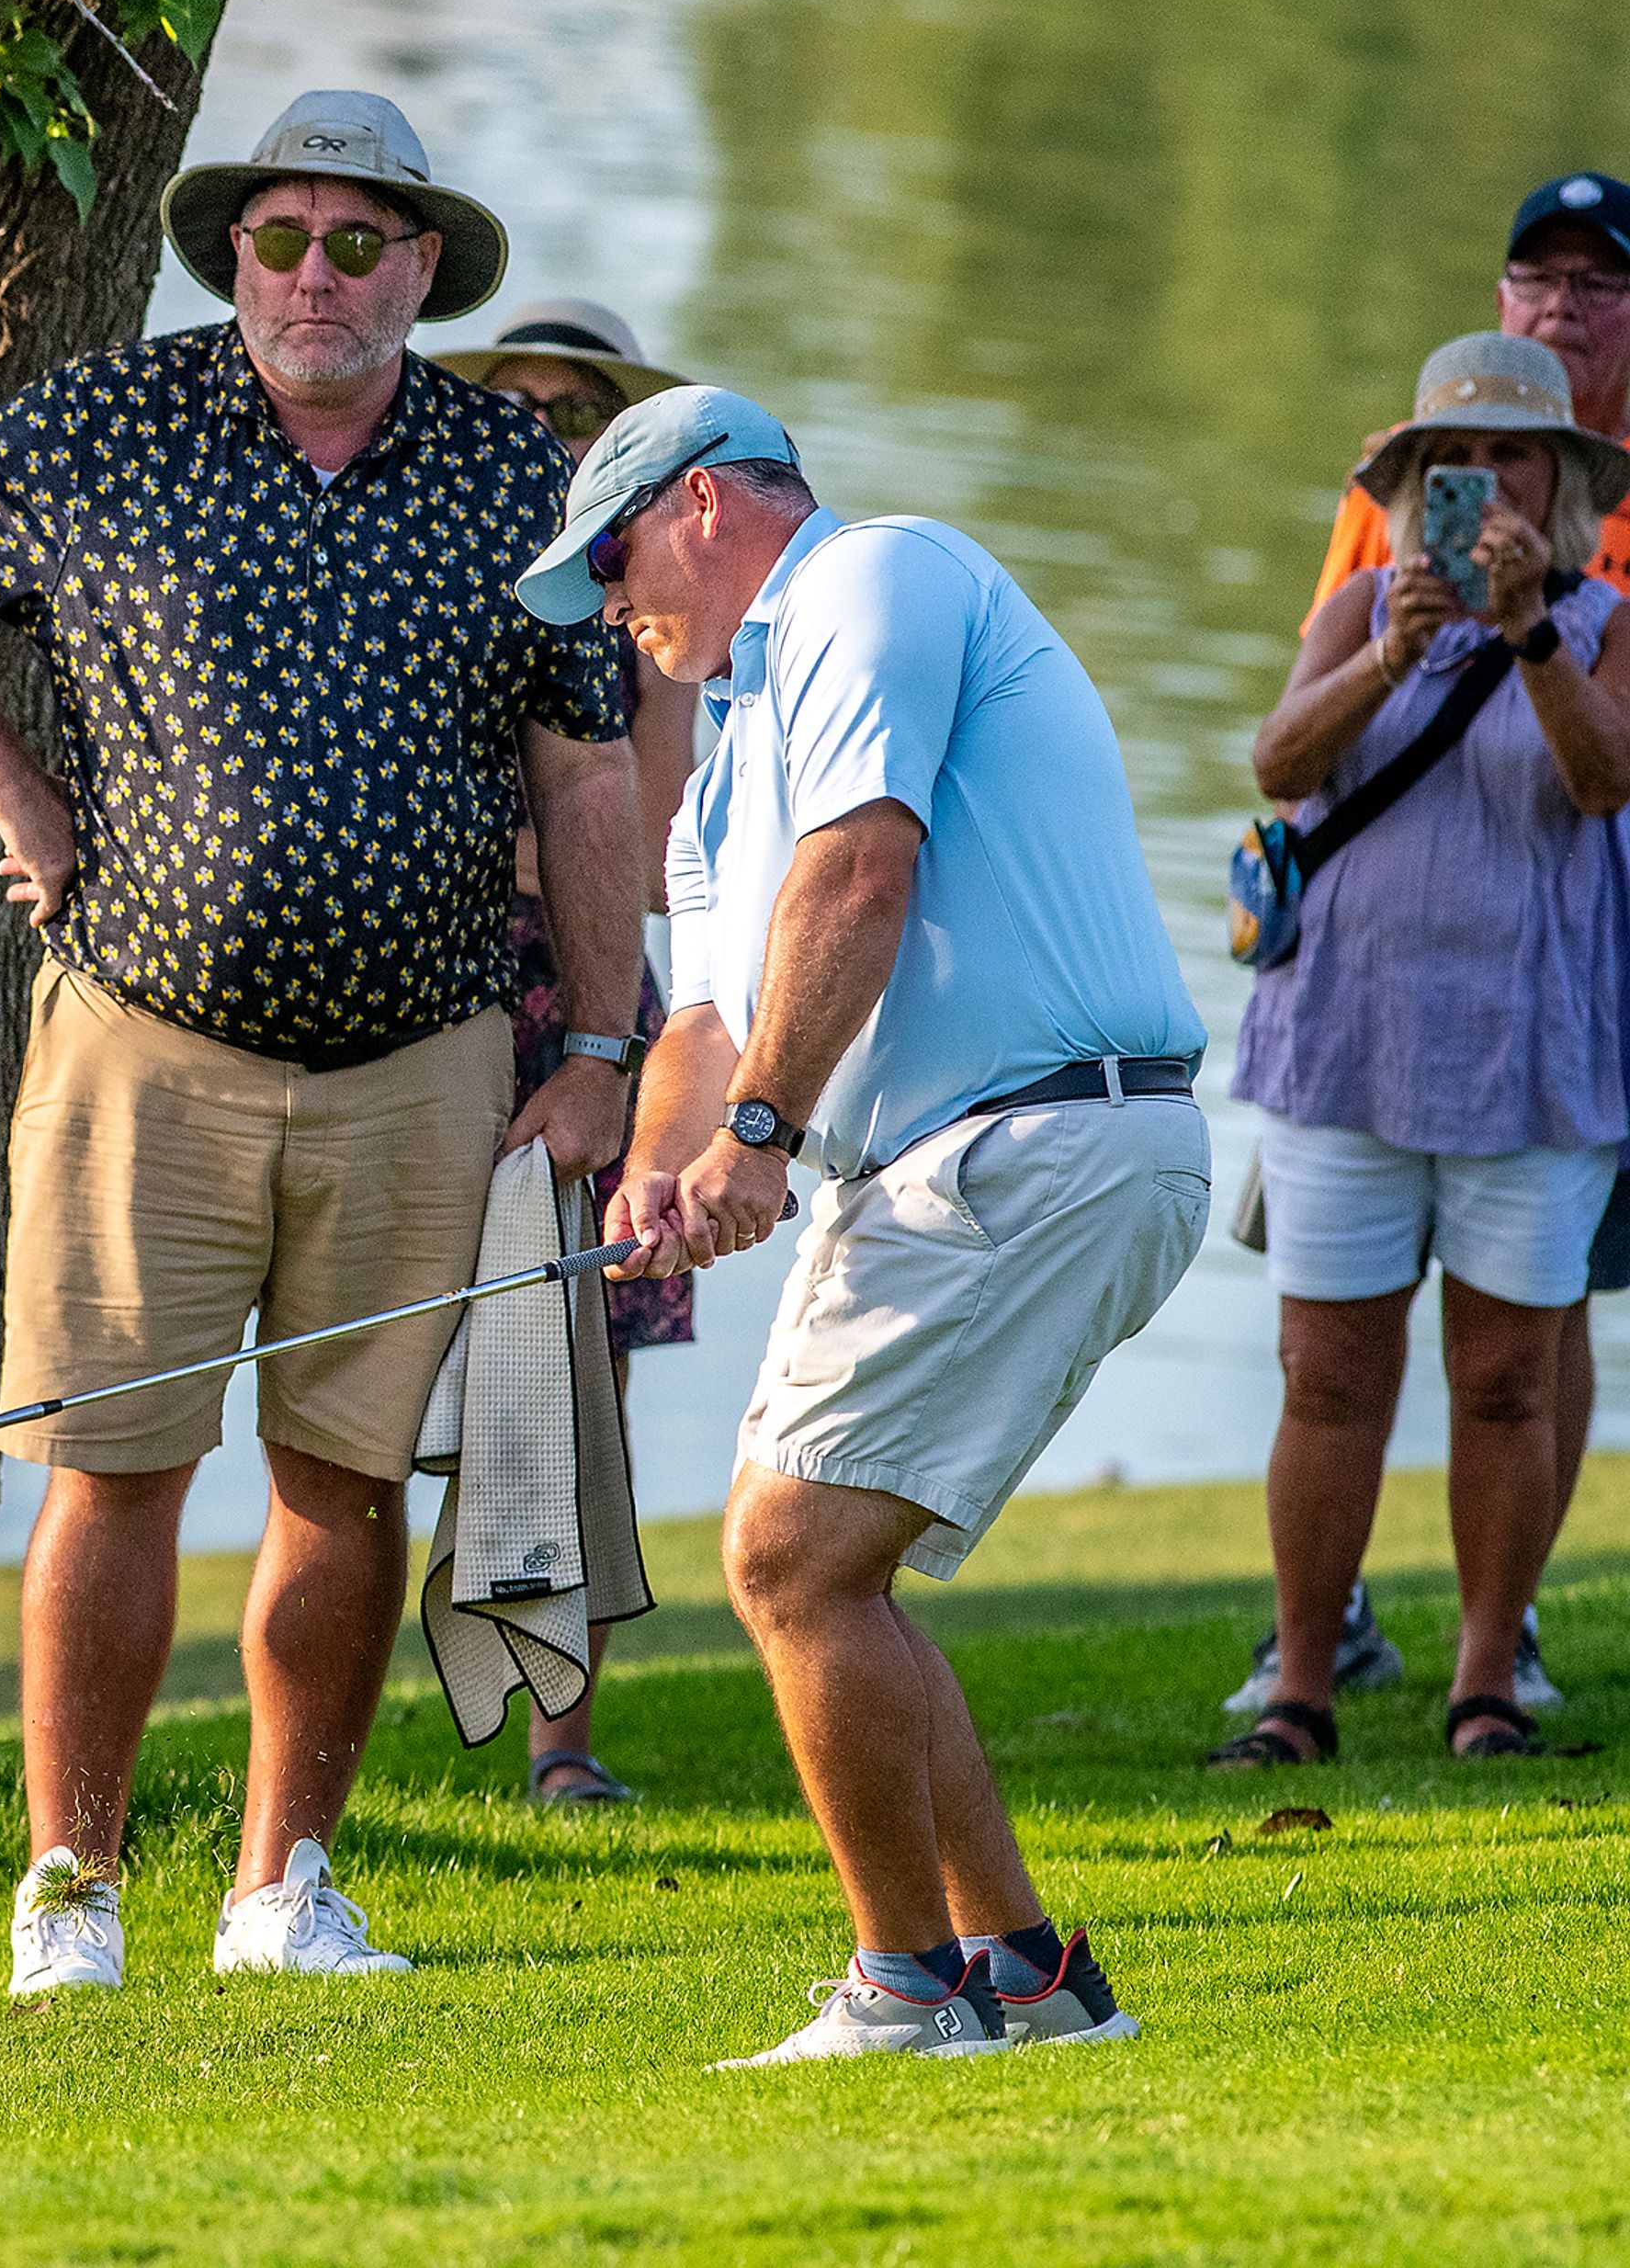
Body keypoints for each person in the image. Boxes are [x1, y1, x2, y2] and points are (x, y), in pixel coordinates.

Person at [0, 92, 645, 1997]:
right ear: (232, 257)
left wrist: (596, 1038)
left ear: (425, 270)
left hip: (424, 1055)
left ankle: (285, 1884)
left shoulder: (518, 475)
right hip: (144, 1040)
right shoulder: (116, 423)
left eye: (363, 244)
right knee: (112, 1465)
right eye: (286, 239)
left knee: (346, 1480)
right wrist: (10, 790)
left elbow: (590, 768)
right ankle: (69, 1895)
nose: (319, 276)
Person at [524, 385, 1209, 2062]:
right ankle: (1028, 1976)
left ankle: (907, 1989)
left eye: (614, 563)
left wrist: (761, 1132)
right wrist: (662, 1171)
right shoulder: (718, 766)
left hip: (1035, 1135)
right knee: (834, 1573)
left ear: (703, 502)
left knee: (786, 1559)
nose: (616, 610)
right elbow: (701, 1021)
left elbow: (863, 877)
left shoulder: (867, 584)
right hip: (947, 1165)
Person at [1238, 171, 1630, 1721]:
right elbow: (1281, 760)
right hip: (1350, 1040)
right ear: (1411, 478)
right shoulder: (1364, 597)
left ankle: (1485, 1680)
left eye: (1511, 460)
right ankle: (1302, 1685)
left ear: (1558, 479)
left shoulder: (1598, 616)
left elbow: (1602, 778)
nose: (1483, 484)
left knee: (1508, 1376)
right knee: (1328, 1375)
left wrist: (1531, 630)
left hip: (1532, 1047)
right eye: (1453, 460)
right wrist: (1391, 646)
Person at [436, 299, 706, 1806]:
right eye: (517, 401)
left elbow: (650, 851)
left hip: (588, 1002)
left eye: (572, 409)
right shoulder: (435, 575)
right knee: (409, 1355)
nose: (540, 428)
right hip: (441, 991)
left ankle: (558, 1742)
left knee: (575, 1367)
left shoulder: (643, 627)